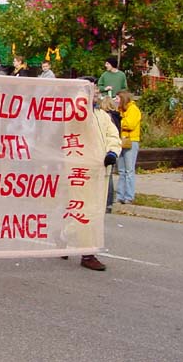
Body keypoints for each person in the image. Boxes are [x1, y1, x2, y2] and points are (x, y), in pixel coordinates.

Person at [65, 77, 121, 271]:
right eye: (92, 90)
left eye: (96, 90)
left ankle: (64, 234)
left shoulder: (102, 115)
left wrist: (112, 152)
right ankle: (87, 253)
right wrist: (81, 98)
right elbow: (73, 120)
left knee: (95, 212)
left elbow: (113, 135)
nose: (96, 93)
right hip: (80, 171)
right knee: (86, 211)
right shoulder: (75, 112)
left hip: (100, 171)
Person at [116, 90, 141, 204]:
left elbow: (130, 124)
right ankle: (120, 195)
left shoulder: (133, 109)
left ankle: (129, 196)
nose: (116, 101)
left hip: (131, 140)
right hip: (121, 140)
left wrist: (120, 122)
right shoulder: (120, 110)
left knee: (129, 170)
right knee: (121, 170)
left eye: (117, 99)